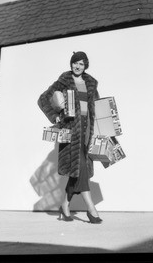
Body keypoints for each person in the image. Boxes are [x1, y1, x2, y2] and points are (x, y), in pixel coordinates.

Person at [38, 51, 102, 224]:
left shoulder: (90, 83)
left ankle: (65, 206)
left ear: (85, 65)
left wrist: (103, 129)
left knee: (77, 171)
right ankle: (91, 209)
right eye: (75, 63)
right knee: (80, 168)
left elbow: (97, 107)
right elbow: (43, 99)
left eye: (81, 63)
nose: (77, 66)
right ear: (71, 64)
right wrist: (55, 116)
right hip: (71, 131)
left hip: (87, 132)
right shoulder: (64, 81)